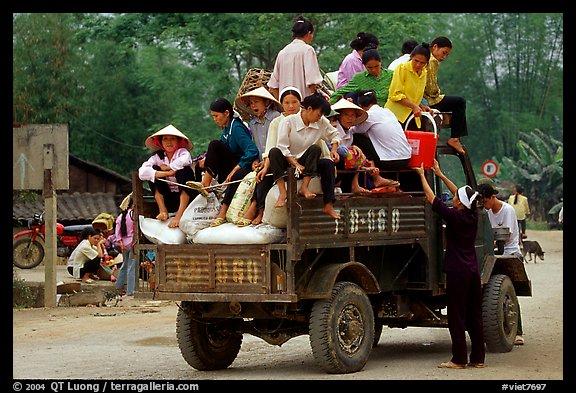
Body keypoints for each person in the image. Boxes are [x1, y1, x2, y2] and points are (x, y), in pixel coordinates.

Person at [415, 159, 485, 369]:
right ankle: (478, 358)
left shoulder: (454, 216)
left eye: (455, 197)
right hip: (472, 271)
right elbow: (463, 194)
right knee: (474, 315)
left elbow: (431, 198)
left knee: (456, 316)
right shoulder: (472, 215)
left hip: (457, 271)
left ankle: (459, 359)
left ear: (459, 203)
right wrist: (439, 173)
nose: (452, 197)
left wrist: (421, 175)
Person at [269, 93, 342, 219]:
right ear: (309, 109)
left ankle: (326, 202)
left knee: (323, 158)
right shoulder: (288, 121)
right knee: (274, 152)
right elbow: (282, 147)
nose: (320, 118)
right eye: (319, 114)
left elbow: (335, 135)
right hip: (288, 162)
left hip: (307, 164)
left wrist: (334, 150)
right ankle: (282, 192)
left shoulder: (321, 122)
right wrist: (296, 164)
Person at [478, 183, 526, 346]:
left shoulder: (507, 210)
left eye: (485, 201)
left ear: (493, 197)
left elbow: (507, 236)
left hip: (509, 252)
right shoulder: (487, 212)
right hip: (493, 252)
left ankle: (517, 331)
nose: (484, 205)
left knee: (508, 291)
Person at [202, 98, 260, 227]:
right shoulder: (226, 128)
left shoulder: (237, 128)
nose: (215, 119)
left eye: (216, 116)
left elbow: (252, 151)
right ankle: (202, 190)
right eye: (213, 116)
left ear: (227, 113)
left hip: (244, 164)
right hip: (232, 162)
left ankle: (207, 188)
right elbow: (222, 145)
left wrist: (236, 168)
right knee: (202, 163)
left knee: (214, 145)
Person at [330, 97, 399, 193]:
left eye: (352, 115)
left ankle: (360, 183)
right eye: (346, 115)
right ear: (339, 116)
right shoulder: (333, 127)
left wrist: (366, 166)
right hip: (334, 162)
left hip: (345, 162)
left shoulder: (349, 132)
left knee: (357, 151)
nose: (350, 118)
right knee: (354, 153)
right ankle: (353, 185)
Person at [138, 124, 198, 228]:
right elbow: (142, 172)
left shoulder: (182, 153)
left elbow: (185, 160)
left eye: (172, 139)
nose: (168, 142)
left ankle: (179, 215)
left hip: (185, 198)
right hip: (168, 198)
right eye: (165, 139)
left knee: (184, 170)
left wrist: (170, 167)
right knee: (154, 171)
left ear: (178, 141)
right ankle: (163, 210)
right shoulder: (157, 157)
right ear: (160, 142)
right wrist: (166, 173)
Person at [424, 36, 468, 155]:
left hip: (422, 98)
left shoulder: (424, 56)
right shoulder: (432, 60)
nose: (444, 57)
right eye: (444, 53)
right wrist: (438, 92)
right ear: (435, 47)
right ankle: (455, 138)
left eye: (446, 55)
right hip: (430, 100)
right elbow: (431, 88)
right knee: (459, 102)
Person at [352, 89, 413, 172]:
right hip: (407, 159)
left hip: (389, 161)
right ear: (377, 102)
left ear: (361, 107)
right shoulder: (388, 112)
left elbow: (354, 130)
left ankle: (371, 165)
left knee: (357, 137)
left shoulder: (370, 115)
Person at [267, 15, 324, 101]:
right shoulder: (307, 50)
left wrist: (281, 106)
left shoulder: (282, 52)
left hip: (286, 107)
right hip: (303, 104)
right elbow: (312, 81)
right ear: (309, 33)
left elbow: (274, 85)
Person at [384, 42, 434, 128]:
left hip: (411, 116)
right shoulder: (402, 68)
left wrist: (422, 106)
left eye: (422, 63)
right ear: (411, 57)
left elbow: (414, 97)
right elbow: (395, 94)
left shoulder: (424, 73)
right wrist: (414, 106)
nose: (418, 65)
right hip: (395, 115)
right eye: (416, 61)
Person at [114, 193, 136, 297]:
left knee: (125, 265)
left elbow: (117, 232)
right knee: (132, 267)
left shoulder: (121, 216)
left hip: (124, 244)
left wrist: (121, 243)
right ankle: (130, 291)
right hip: (132, 243)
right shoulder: (133, 215)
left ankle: (118, 287)